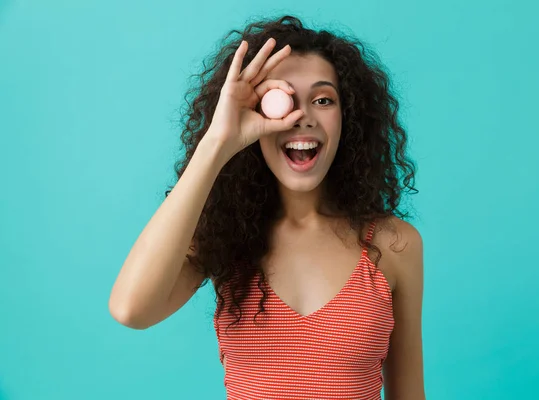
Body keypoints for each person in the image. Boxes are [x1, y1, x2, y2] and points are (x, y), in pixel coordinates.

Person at [109, 14, 425, 400]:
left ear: (349, 117)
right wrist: (217, 142)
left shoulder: (394, 245)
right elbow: (131, 309)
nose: (303, 117)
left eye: (323, 100)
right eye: (283, 100)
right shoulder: (227, 237)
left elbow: (409, 394)